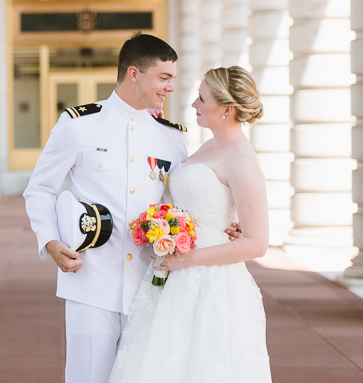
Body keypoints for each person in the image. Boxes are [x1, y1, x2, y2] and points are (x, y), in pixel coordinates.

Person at [24, 33, 196, 383]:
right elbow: (40, 187)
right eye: (164, 78)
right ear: (134, 74)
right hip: (90, 279)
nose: (171, 88)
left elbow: (182, 202)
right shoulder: (79, 124)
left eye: (173, 79)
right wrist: (50, 241)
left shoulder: (171, 136)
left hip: (150, 282)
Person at [108, 66, 272, 383]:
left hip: (211, 281)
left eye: (201, 99)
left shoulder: (241, 159)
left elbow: (257, 243)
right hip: (174, 273)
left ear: (227, 109)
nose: (194, 105)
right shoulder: (208, 146)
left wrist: (186, 259)